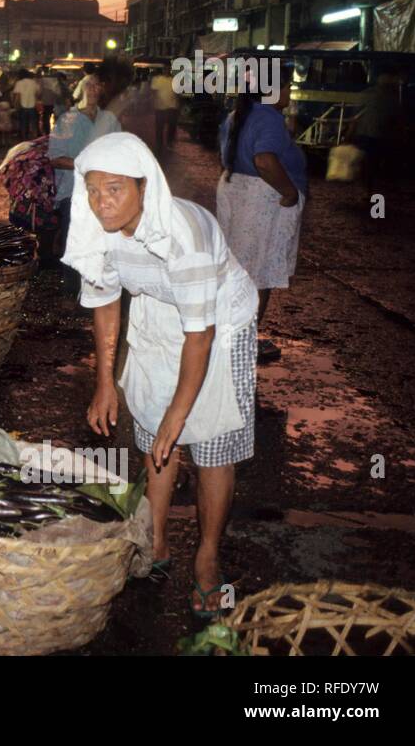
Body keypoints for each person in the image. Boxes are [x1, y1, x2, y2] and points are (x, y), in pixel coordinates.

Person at [65, 132, 258, 619]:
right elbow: (107, 302)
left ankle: (207, 557)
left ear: (145, 187)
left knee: (210, 441)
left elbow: (202, 335)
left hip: (218, 319)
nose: (101, 202)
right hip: (155, 310)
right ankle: (155, 543)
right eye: (92, 189)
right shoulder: (96, 229)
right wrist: (105, 381)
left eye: (115, 189)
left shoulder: (183, 232)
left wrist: (180, 414)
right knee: (154, 433)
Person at [216, 83, 306, 363]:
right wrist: (289, 191)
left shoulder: (238, 114)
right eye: (285, 87)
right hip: (262, 199)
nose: (288, 93)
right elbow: (264, 160)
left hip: (237, 189)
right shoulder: (267, 117)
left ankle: (229, 335)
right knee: (258, 273)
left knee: (237, 269)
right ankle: (242, 342)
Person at [47, 76, 122, 264]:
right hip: (73, 194)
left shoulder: (109, 120)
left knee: (101, 246)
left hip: (105, 194)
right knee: (74, 246)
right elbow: (55, 158)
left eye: (98, 85)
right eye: (89, 85)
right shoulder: (67, 120)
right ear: (80, 89)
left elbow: (121, 151)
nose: (94, 89)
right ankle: (73, 289)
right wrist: (87, 164)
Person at [151, 64, 179, 153]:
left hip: (172, 106)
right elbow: (153, 92)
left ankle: (169, 142)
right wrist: (155, 102)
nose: (166, 70)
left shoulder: (173, 80)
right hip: (160, 107)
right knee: (159, 127)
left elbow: (177, 93)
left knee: (172, 126)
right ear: (163, 70)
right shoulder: (157, 79)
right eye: (165, 69)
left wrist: (178, 104)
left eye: (168, 69)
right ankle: (159, 144)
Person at [13, 68, 41, 141]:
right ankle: (34, 139)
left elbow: (18, 96)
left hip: (23, 106)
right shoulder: (34, 82)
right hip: (33, 106)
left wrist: (15, 106)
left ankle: (24, 139)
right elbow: (38, 94)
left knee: (23, 124)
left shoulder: (19, 83)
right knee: (33, 124)